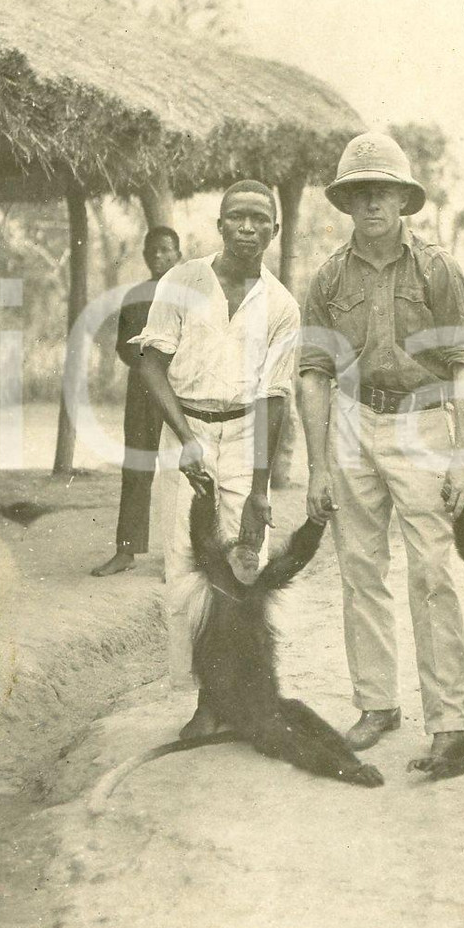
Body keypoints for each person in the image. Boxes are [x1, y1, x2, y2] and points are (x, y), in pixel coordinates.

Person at [298, 132, 464, 761]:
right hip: (353, 422)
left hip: (421, 422)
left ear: (404, 199)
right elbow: (314, 375)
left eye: (384, 191)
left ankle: (448, 718)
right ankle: (377, 702)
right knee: (359, 568)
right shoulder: (327, 278)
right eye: (359, 191)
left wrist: (463, 456)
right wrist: (318, 465)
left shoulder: (437, 269)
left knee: (431, 571)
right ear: (346, 202)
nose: (372, 202)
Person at [133, 181, 300, 734]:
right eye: (237, 217)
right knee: (185, 566)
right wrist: (185, 439)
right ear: (221, 224)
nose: (248, 228)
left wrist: (259, 489)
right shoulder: (182, 281)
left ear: (274, 232)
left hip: (246, 438)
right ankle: (206, 701)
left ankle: (232, 697)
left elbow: (274, 397)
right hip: (188, 430)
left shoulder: (280, 305)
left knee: (243, 570)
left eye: (260, 219)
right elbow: (151, 365)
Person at [92, 226, 182, 577]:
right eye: (152, 252)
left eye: (165, 250)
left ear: (178, 253)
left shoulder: (192, 294)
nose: (158, 257)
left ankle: (183, 556)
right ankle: (125, 551)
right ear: (145, 256)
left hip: (181, 392)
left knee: (184, 470)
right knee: (136, 467)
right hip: (143, 391)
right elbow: (124, 346)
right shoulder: (136, 295)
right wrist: (149, 358)